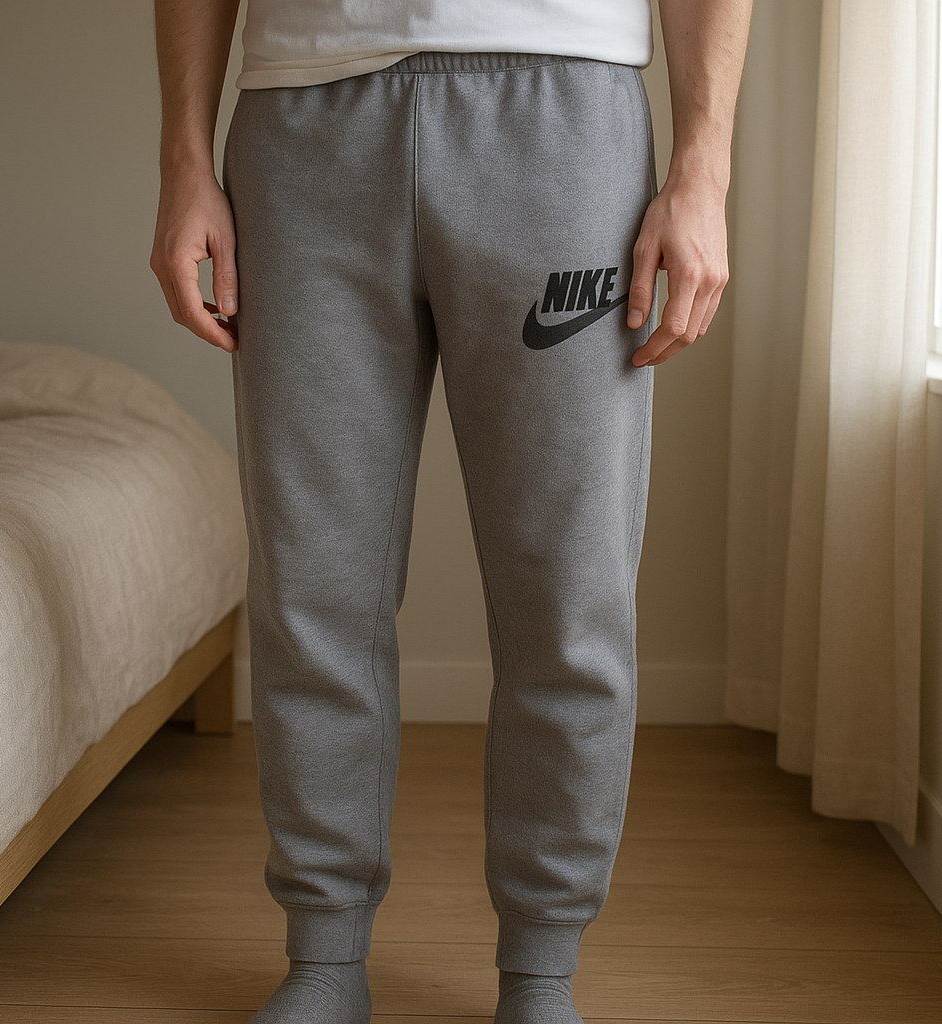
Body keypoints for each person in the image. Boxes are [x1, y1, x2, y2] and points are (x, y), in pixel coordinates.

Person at [150, 2, 752, 1021]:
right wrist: (183, 159)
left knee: (567, 595)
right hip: (301, 126)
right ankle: (325, 955)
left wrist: (703, 170)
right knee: (313, 587)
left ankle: (541, 970)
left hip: (559, 113)